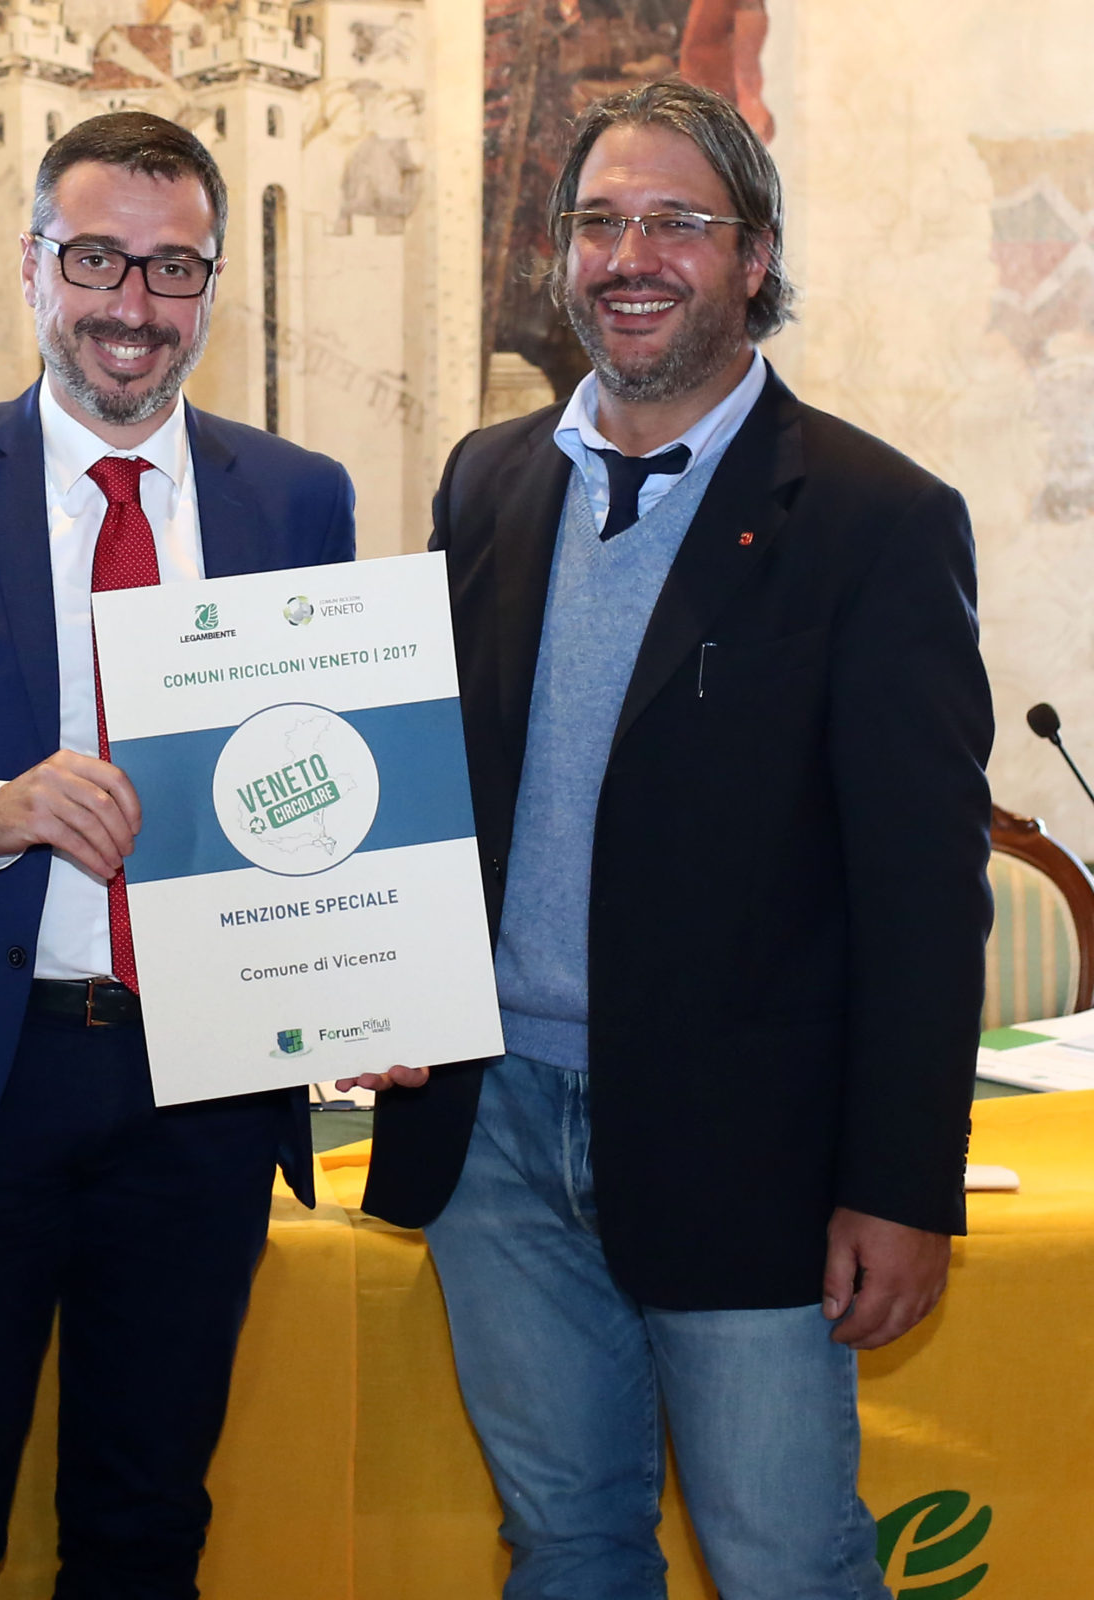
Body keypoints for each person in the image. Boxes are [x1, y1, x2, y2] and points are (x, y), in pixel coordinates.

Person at [348, 80, 992, 1598]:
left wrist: (905, 1183)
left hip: (747, 1147)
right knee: (566, 1545)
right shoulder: (487, 480)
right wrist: (368, 984)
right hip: (494, 1133)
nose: (630, 257)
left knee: (785, 1562)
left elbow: (922, 896)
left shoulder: (875, 519)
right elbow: (432, 785)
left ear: (754, 256)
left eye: (677, 223)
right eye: (600, 222)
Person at [0, 111, 354, 1598]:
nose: (133, 305)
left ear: (213, 285)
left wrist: (371, 979)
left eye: (172, 268)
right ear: (33, 268)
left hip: (204, 1091)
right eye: (97, 259)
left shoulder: (299, 499)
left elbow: (334, 784)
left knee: (147, 1530)